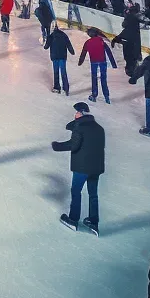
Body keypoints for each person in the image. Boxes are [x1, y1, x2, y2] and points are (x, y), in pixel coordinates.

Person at [52, 101, 105, 236]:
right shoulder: (99, 128)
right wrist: (75, 124)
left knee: (76, 191)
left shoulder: (80, 128)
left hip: (82, 167)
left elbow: (73, 145)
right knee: (93, 194)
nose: (75, 114)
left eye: (76, 112)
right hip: (96, 168)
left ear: (81, 113)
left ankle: (73, 219)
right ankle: (93, 221)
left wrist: (57, 146)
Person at [78, 27, 117, 104]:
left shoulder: (87, 42)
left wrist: (80, 62)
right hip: (102, 61)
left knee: (94, 79)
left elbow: (83, 53)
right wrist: (113, 64)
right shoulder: (101, 41)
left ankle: (94, 95)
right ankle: (107, 97)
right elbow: (109, 52)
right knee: (103, 79)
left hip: (94, 62)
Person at [45, 25, 75, 95]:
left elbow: (46, 47)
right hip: (62, 56)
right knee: (63, 72)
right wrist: (72, 51)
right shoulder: (64, 35)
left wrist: (46, 41)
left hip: (55, 56)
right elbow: (68, 44)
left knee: (56, 72)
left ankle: (57, 87)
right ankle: (66, 88)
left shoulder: (51, 36)